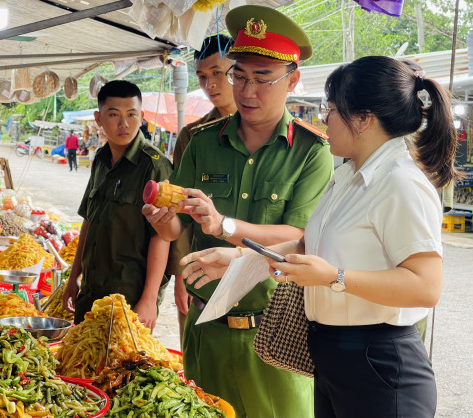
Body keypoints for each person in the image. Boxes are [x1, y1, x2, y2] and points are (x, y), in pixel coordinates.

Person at [180, 55, 461, 418]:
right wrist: (240, 259)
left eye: (331, 110)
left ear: (363, 119)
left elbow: (426, 286)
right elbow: (307, 246)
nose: (323, 120)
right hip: (334, 355)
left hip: (379, 363)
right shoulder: (348, 177)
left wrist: (333, 278)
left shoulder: (400, 183)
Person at [142, 5, 334, 417]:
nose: (247, 92)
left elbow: (301, 238)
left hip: (276, 335)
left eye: (263, 79)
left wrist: (224, 224)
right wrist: (165, 223)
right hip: (205, 330)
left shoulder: (313, 153)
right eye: (239, 76)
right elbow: (179, 226)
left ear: (293, 80)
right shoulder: (203, 143)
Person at [63, 80, 173, 330]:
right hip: (91, 293)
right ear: (98, 119)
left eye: (132, 114)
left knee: (120, 367)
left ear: (142, 116)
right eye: (113, 115)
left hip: (129, 299)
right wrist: (73, 279)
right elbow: (89, 221)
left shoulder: (154, 165)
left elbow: (162, 237)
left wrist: (149, 299)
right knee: (81, 361)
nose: (124, 124)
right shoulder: (101, 160)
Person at [168, 33, 237, 346]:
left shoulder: (277, 134)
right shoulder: (192, 136)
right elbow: (180, 210)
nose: (210, 85)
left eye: (218, 74)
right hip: (200, 274)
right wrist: (181, 272)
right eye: (202, 77)